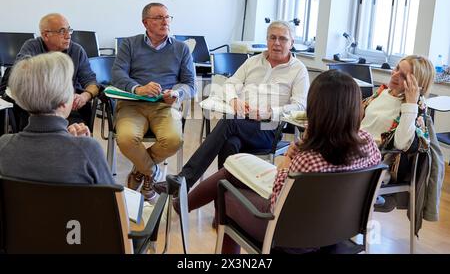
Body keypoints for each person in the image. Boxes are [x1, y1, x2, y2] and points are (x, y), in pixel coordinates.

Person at [182, 70, 381, 253]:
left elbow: (275, 205)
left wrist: (287, 160)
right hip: (339, 228)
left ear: (315, 109)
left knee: (224, 190)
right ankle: (180, 204)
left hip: (289, 234)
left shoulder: (308, 160)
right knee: (231, 171)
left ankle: (181, 204)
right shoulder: (369, 144)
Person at [154, 21, 310, 194]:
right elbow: (229, 85)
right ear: (267, 40)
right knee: (230, 144)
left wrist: (270, 112)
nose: (277, 43)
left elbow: (300, 105)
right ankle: (223, 209)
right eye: (272, 37)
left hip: (269, 129)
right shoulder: (253, 62)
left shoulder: (298, 70)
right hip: (241, 123)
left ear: (292, 42)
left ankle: (184, 180)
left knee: (229, 123)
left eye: (283, 39)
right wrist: (235, 100)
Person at [111, 3, 196, 201]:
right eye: (158, 17)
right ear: (145, 23)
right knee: (125, 139)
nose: (165, 21)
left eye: (167, 17)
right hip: (133, 104)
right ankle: (150, 172)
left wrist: (176, 93)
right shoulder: (130, 44)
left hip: (164, 106)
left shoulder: (181, 49)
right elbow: (117, 74)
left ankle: (140, 171)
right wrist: (137, 88)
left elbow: (190, 84)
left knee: (174, 140)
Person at [0, 52, 113, 185]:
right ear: (64, 101)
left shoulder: (4, 145)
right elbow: (113, 200)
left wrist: (67, 139)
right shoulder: (88, 149)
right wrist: (76, 145)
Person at [361, 55, 444, 217]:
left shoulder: (414, 110)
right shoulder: (382, 93)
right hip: (356, 153)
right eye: (397, 68)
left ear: (417, 85)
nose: (395, 75)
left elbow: (401, 144)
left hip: (376, 165)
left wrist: (411, 104)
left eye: (404, 76)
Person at [10, 13, 99, 130]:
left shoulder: (77, 51)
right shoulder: (32, 47)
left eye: (69, 30)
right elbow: (21, 74)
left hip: (68, 108)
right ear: (46, 35)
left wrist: (84, 96)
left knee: (77, 133)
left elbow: (92, 83)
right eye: (62, 31)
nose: (68, 36)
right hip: (36, 109)